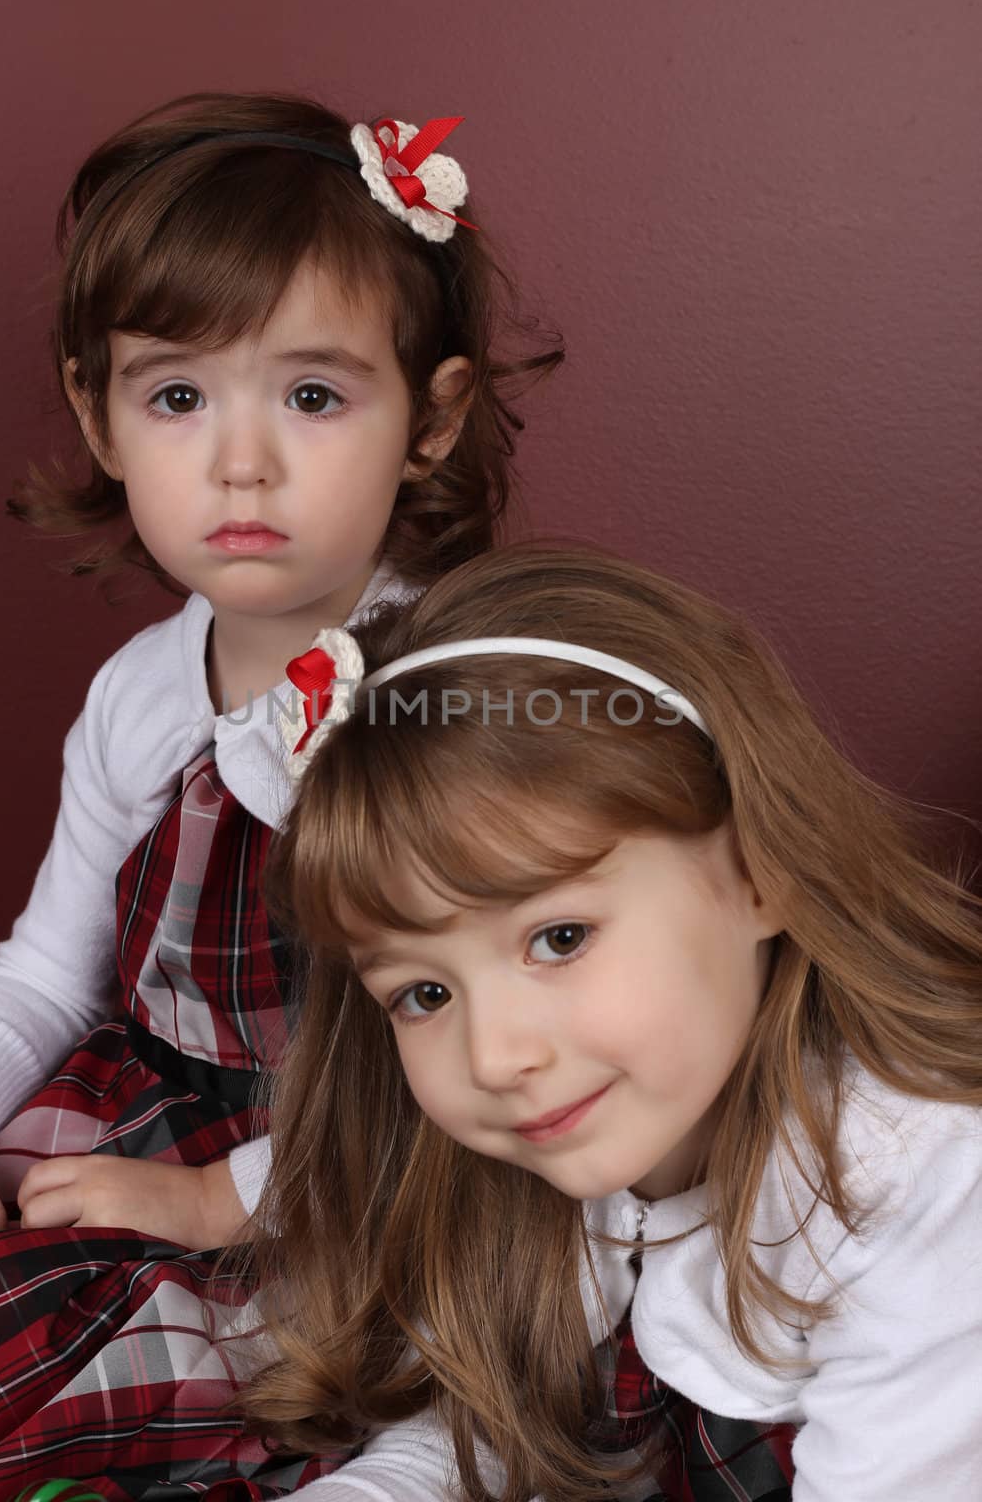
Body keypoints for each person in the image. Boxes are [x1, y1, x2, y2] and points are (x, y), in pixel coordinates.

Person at [0, 95, 561, 1497]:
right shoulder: (144, 691)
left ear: (431, 419)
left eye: (313, 396)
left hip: (388, 1164)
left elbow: (471, 1055)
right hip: (150, 1111)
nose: (240, 461)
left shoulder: (442, 700)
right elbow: (51, 965)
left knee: (198, 1378)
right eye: (177, 396)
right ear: (101, 413)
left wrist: (218, 1202)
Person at [239, 542, 982, 1501]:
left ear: (760, 870)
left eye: (558, 938)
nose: (497, 1056)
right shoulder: (568, 1134)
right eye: (423, 995)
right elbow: (501, 1425)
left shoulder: (918, 1181)